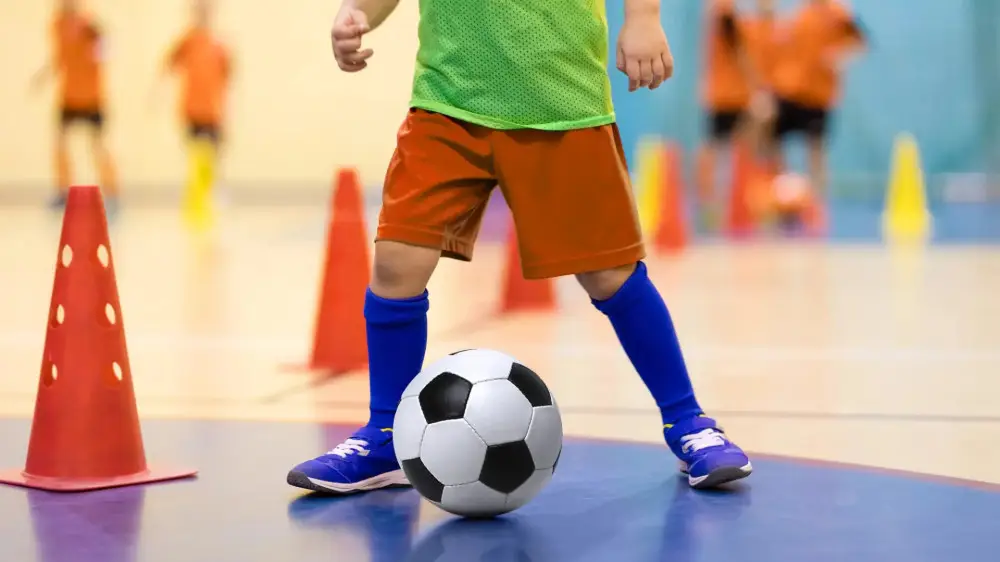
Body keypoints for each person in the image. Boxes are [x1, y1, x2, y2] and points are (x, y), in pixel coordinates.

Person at [287, 0, 752, 493]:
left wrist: (643, 18)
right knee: (397, 262)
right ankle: (386, 436)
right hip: (447, 103)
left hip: (563, 104)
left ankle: (687, 421)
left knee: (610, 274)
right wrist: (358, 11)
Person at [765, 0, 867, 221]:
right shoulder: (801, 12)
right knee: (774, 142)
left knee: (816, 150)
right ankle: (783, 200)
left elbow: (860, 41)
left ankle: (817, 207)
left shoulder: (837, 11)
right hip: (789, 89)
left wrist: (837, 56)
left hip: (817, 95)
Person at [31, 0, 119, 215]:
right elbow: (60, 56)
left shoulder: (90, 25)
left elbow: (106, 52)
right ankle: (63, 192)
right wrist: (44, 75)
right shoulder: (57, 24)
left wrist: (101, 39)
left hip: (92, 98)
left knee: (98, 145)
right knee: (59, 142)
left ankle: (112, 195)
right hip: (69, 97)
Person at [695, 0, 773, 230]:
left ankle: (732, 207)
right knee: (738, 151)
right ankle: (722, 207)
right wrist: (758, 89)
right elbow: (739, 52)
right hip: (730, 96)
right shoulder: (725, 11)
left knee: (726, 152)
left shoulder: (728, 14)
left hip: (727, 94)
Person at [156, 0, 232, 227]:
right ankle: (196, 203)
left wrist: (227, 115)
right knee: (195, 157)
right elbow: (167, 65)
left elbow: (227, 83)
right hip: (191, 111)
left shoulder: (219, 46)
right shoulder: (186, 41)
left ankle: (210, 197)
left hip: (213, 113)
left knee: (213, 158)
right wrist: (157, 94)